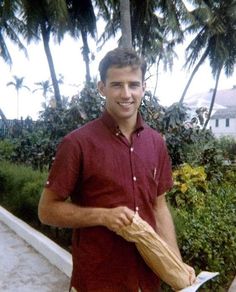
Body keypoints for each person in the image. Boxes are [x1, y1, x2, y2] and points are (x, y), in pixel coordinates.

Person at [38, 47, 195, 292]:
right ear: (102, 88)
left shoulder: (156, 143)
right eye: (116, 85)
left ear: (144, 87)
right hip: (98, 280)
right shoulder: (77, 143)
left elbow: (159, 206)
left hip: (147, 280)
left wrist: (175, 263)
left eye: (133, 85)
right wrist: (103, 216)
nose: (126, 93)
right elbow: (47, 211)